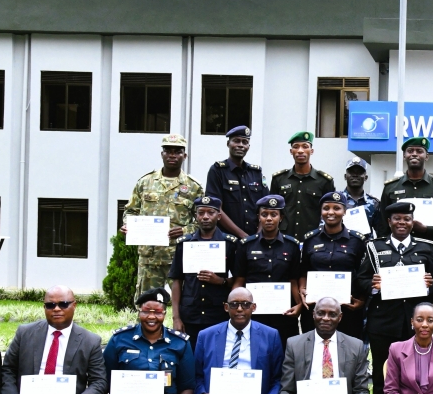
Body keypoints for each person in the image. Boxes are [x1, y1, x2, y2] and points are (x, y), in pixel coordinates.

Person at [356, 201, 433, 394]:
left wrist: (429, 284)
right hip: (383, 323)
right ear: (389, 222)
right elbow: (360, 280)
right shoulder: (374, 247)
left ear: (412, 221)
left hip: (416, 326)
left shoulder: (426, 247)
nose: (402, 223)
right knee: (384, 380)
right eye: (397, 219)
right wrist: (373, 284)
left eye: (406, 219)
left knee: (419, 380)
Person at [121, 134, 204, 300]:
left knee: (184, 304)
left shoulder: (194, 187)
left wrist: (185, 230)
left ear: (184, 156)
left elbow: (203, 221)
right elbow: (130, 211)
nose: (172, 155)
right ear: (162, 154)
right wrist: (128, 226)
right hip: (150, 257)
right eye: (168, 151)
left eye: (177, 151)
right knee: (146, 303)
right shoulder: (145, 182)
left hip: (179, 256)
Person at [169, 196, 242, 348]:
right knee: (190, 359)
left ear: (219, 216)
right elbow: (177, 281)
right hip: (190, 314)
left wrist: (220, 281)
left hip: (218, 314)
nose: (206, 217)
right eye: (201, 213)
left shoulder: (230, 243)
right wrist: (176, 317)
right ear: (196, 216)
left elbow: (239, 280)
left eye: (211, 213)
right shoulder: (185, 243)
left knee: (216, 356)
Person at [299, 191, 367, 339]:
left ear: (344, 211)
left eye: (336, 208)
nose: (331, 212)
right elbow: (303, 271)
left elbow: (363, 273)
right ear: (321, 211)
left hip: (347, 310)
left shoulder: (357, 240)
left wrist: (361, 300)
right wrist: (302, 289)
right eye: (326, 208)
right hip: (316, 309)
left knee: (347, 351)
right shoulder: (310, 239)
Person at [235, 194, 303, 344]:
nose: (269, 218)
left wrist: (298, 305)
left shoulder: (291, 245)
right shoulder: (246, 245)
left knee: (285, 355)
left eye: (274, 214)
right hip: (254, 312)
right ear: (258, 217)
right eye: (264, 214)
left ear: (281, 217)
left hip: (283, 314)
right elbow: (240, 279)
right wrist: (235, 305)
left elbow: (293, 280)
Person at [378, 137, 433, 262]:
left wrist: (426, 229)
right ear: (404, 156)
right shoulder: (391, 187)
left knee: (431, 282)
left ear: (426, 156)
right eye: (410, 151)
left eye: (419, 151)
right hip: (396, 251)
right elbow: (382, 224)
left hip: (429, 249)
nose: (414, 154)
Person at [205, 125, 269, 239]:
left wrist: (258, 235)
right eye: (236, 141)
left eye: (245, 142)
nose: (240, 145)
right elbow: (215, 207)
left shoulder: (256, 173)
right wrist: (242, 235)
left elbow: (265, 206)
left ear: (248, 146)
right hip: (227, 238)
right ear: (228, 144)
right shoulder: (217, 171)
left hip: (255, 239)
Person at [271, 131, 335, 241]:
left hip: (314, 238)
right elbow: (272, 210)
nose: (300, 151)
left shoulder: (324, 181)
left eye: (305, 146)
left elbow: (330, 212)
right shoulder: (279, 179)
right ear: (291, 151)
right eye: (296, 147)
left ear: (312, 151)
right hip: (284, 238)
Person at [338, 156, 381, 238]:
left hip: (365, 248)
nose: (355, 175)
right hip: (341, 248)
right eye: (351, 172)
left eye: (359, 172)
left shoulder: (374, 203)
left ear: (366, 177)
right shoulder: (336, 200)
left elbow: (381, 232)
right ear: (345, 176)